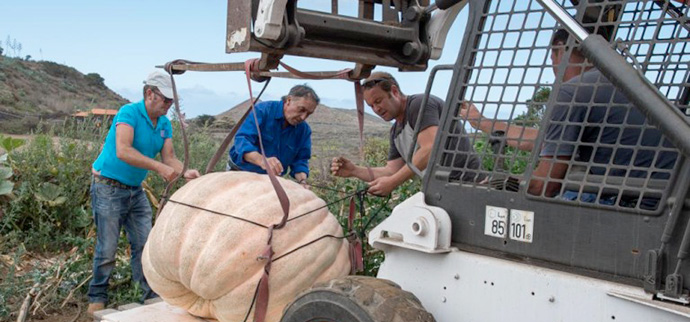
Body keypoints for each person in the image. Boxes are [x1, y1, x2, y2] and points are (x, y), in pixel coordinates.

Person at [460, 29, 677, 200]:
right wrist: (481, 122)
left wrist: (502, 185)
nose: (553, 67)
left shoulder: (572, 92)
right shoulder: (628, 86)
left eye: (552, 58)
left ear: (560, 50)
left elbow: (546, 185)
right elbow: (543, 139)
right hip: (670, 196)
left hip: (634, 203)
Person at [88, 71, 200, 315]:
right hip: (108, 186)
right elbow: (123, 150)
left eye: (172, 102)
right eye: (166, 100)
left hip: (134, 191)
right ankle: (97, 296)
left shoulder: (163, 124)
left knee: (145, 244)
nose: (169, 105)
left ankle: (147, 295)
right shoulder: (129, 112)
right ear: (150, 94)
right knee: (107, 247)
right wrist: (159, 168)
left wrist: (185, 173)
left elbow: (169, 158)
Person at [331, 72, 481, 196]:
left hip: (468, 186)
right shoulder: (395, 131)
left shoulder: (419, 104)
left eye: (378, 101)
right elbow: (391, 171)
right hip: (441, 192)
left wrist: (393, 182)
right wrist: (355, 170)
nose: (376, 109)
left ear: (394, 92)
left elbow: (430, 149)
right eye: (371, 106)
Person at [228, 84, 319, 185]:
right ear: (288, 100)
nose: (303, 117)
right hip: (240, 173)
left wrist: (302, 181)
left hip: (272, 182)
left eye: (308, 114)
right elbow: (242, 141)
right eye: (301, 110)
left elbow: (300, 160)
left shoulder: (304, 130)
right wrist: (262, 160)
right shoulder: (262, 111)